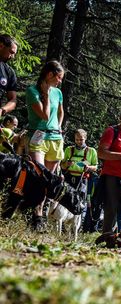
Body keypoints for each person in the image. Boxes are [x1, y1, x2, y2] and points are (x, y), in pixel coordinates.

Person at [26, 60, 65, 231]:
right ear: (49, 75)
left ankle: (41, 216)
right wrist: (46, 95)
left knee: (48, 180)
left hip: (55, 138)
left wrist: (59, 126)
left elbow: (60, 112)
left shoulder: (58, 92)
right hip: (38, 136)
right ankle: (36, 214)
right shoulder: (32, 91)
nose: (60, 81)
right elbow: (44, 114)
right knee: (39, 174)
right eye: (59, 77)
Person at [61, 129, 99, 232]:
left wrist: (89, 167)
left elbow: (95, 167)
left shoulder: (91, 151)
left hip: (82, 179)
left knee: (81, 201)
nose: (79, 141)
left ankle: (77, 227)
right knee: (67, 200)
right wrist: (66, 164)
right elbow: (62, 165)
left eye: (81, 139)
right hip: (69, 178)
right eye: (77, 139)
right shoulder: (69, 149)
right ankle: (64, 226)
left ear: (85, 138)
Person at [0, 34, 18, 116]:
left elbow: (13, 100)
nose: (13, 57)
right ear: (1, 46)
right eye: (11, 52)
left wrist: (3, 109)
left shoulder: (9, 72)